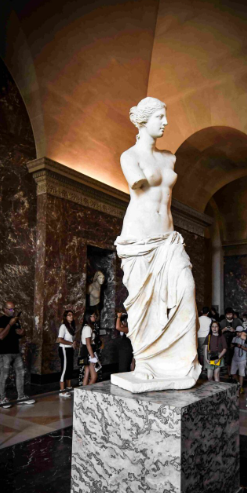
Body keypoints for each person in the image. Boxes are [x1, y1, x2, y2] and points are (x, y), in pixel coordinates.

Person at [113, 97, 200, 391]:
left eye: (165, 116)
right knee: (144, 304)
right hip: (140, 237)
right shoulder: (129, 157)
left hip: (169, 238)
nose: (165, 122)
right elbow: (137, 184)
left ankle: (181, 361)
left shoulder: (170, 157)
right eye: (160, 117)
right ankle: (146, 360)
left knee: (186, 288)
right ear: (143, 121)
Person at [0, 301, 35, 408]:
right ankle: (2, 399)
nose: (13, 311)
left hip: (15, 352)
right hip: (4, 353)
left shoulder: (16, 321)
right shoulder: (1, 320)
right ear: (4, 309)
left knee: (21, 373)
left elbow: (19, 333)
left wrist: (22, 332)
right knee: (4, 375)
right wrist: (10, 324)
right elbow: (1, 336)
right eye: (11, 309)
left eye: (14, 308)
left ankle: (21, 397)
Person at [57, 310, 77, 396]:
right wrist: (71, 343)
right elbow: (59, 339)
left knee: (70, 368)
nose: (71, 316)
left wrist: (73, 343)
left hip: (70, 349)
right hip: (64, 349)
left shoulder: (71, 326)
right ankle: (62, 390)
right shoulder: (63, 326)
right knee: (65, 368)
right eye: (69, 315)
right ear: (65, 317)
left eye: (72, 315)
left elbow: (71, 339)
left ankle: (69, 387)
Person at [79, 310, 100, 386]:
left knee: (87, 373)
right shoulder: (88, 328)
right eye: (93, 316)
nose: (94, 317)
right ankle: (85, 392)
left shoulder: (87, 327)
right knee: (94, 376)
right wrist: (93, 357)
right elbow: (88, 344)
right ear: (89, 317)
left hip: (87, 351)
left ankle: (83, 393)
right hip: (89, 352)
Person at [230, 326, 247, 393]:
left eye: (240, 332)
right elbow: (231, 348)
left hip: (243, 358)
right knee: (233, 373)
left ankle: (241, 387)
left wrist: (240, 346)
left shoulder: (245, 339)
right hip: (235, 358)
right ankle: (238, 384)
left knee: (241, 374)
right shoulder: (234, 338)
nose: (238, 333)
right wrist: (232, 345)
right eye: (237, 332)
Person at [197, 307, 212, 372]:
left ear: (201, 311)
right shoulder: (210, 320)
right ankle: (206, 367)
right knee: (206, 352)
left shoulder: (198, 319)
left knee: (200, 353)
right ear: (208, 313)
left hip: (199, 336)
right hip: (207, 337)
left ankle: (201, 366)